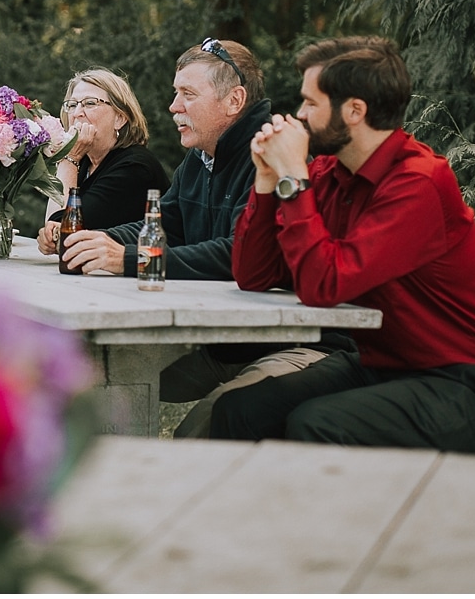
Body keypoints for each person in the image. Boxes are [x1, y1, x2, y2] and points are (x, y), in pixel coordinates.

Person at [208, 37, 475, 452]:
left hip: (467, 384)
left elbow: (325, 286)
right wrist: (268, 182)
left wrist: (293, 178)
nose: (299, 116)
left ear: (354, 111)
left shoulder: (419, 182)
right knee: (241, 409)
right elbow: (254, 275)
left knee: (317, 424)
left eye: (310, 103)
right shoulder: (328, 174)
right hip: (383, 367)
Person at [59, 38, 346, 438]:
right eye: (176, 94)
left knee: (197, 433)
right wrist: (92, 239)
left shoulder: (270, 154)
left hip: (279, 340)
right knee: (90, 374)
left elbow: (237, 254)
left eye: (188, 94)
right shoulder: (200, 157)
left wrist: (125, 258)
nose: (174, 107)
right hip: (219, 340)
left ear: (234, 100)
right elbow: (168, 223)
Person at [35, 68, 169, 250]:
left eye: (90, 103)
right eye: (72, 105)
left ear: (120, 118)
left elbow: (66, 234)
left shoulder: (135, 167)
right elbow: (53, 231)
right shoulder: (84, 162)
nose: (76, 113)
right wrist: (50, 235)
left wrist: (69, 158)